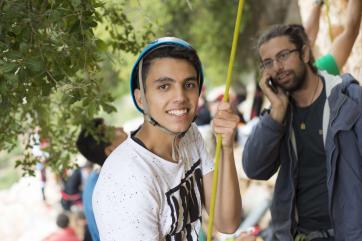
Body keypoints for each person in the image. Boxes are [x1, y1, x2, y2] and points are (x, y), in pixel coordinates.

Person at [93, 37, 244, 240]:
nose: (180, 96)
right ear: (140, 98)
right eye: (164, 86)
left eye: (189, 84)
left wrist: (225, 147)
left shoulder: (190, 135)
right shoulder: (126, 182)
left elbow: (227, 222)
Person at [242, 24, 362, 241]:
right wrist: (276, 112)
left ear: (305, 53)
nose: (277, 67)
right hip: (298, 235)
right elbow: (254, 169)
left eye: (283, 55)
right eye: (268, 63)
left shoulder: (348, 100)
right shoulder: (278, 114)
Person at [77, 118, 128, 241]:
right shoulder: (114, 188)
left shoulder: (96, 179)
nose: (120, 128)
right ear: (110, 150)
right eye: (113, 130)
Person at [304, 0, 362, 75]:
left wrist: (317, 3)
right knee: (350, 33)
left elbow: (307, 38)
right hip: (317, 78)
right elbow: (351, 32)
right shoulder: (320, 77)